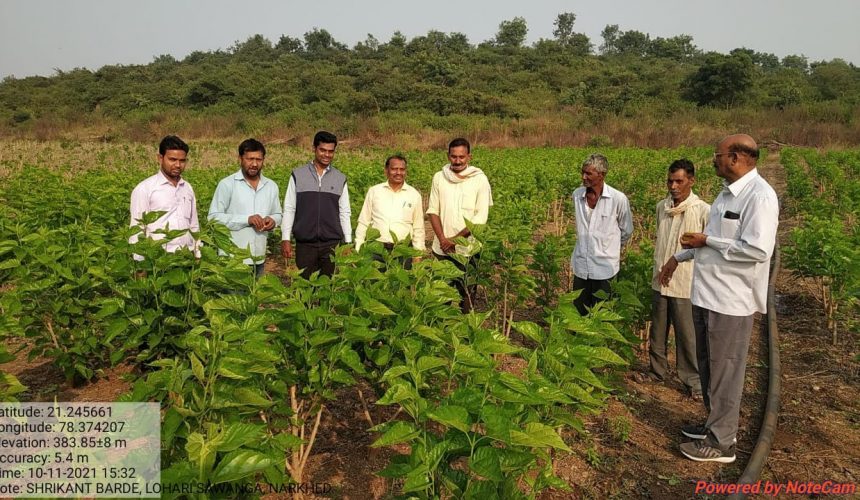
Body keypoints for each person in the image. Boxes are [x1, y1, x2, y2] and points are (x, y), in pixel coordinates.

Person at [660, 134, 778, 463]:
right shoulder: (726, 195)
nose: (714, 159)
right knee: (710, 367)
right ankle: (714, 424)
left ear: (737, 158)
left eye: (718, 155)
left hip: (731, 300)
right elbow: (704, 242)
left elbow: (756, 249)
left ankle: (723, 442)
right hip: (707, 295)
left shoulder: (760, 197)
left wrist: (709, 241)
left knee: (726, 370)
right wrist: (677, 258)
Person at [639, 159, 709, 400]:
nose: (673, 186)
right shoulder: (662, 207)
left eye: (679, 181)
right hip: (660, 279)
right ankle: (656, 372)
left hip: (685, 283)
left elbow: (706, 248)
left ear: (691, 181)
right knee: (658, 331)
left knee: (687, 334)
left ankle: (693, 382)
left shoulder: (702, 210)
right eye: (670, 181)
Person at [426, 138, 493, 312]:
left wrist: (455, 240)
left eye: (461, 157)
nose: (457, 161)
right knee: (441, 295)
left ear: (469, 157)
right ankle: (442, 330)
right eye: (453, 157)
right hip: (442, 249)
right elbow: (433, 210)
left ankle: (465, 330)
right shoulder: (439, 177)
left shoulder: (479, 180)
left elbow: (480, 218)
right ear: (448, 156)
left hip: (468, 249)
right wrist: (443, 240)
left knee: (467, 294)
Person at [280, 131, 351, 279]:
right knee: (305, 288)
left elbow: (344, 212)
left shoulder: (340, 178)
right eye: (322, 150)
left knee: (327, 289)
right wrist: (285, 238)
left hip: (331, 244)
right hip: (305, 244)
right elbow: (289, 208)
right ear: (314, 148)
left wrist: (348, 242)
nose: (327, 155)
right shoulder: (298, 175)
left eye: (331, 151)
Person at [208, 138, 282, 278]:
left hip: (258, 257)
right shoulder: (227, 184)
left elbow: (278, 213)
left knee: (255, 298)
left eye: (259, 159)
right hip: (233, 259)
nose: (254, 164)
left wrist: (272, 221)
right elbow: (213, 217)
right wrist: (247, 220)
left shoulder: (271, 186)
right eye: (250, 159)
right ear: (240, 158)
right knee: (233, 299)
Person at [570, 153, 633, 315]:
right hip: (581, 267)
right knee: (579, 315)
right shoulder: (577, 195)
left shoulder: (618, 199)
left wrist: (608, 248)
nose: (583, 177)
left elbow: (626, 230)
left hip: (605, 269)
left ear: (602, 175)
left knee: (601, 317)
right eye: (582, 172)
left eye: (588, 173)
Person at [129, 135, 199, 258]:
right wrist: (139, 264)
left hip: (185, 257)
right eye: (172, 159)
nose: (178, 165)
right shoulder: (145, 189)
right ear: (160, 158)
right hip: (158, 259)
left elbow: (194, 225)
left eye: (182, 161)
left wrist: (197, 254)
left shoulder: (187, 188)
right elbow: (137, 229)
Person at [354, 155, 425, 269]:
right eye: (394, 169)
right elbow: (363, 221)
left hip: (402, 251)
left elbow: (418, 227)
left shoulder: (414, 195)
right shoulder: (375, 191)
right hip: (376, 250)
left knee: (400, 285)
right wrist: (358, 248)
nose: (398, 172)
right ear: (386, 171)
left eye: (402, 169)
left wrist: (418, 254)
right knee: (374, 284)